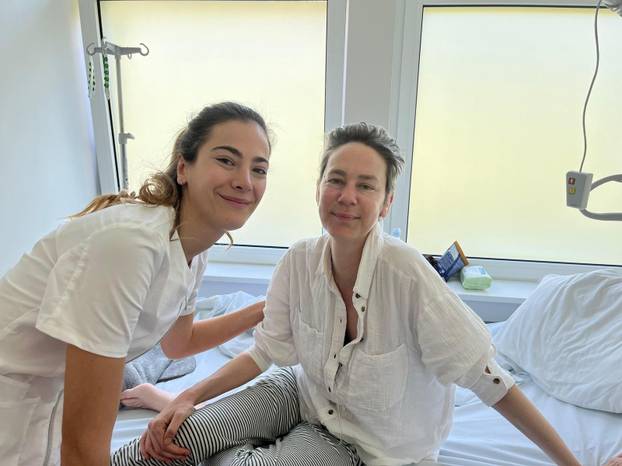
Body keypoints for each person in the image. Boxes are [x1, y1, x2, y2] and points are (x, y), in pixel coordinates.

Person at [111, 123, 583, 466]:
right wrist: (187, 397)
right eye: (336, 180)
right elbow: (265, 353)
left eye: (366, 186)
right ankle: (175, 409)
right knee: (164, 442)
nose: (347, 196)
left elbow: (491, 381)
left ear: (386, 202)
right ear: (319, 188)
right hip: (299, 393)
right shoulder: (298, 260)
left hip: (362, 445)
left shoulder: (407, 276)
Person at [0, 102, 272, 466]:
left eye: (259, 169)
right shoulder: (130, 245)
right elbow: (82, 449)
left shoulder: (193, 246)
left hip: (46, 401)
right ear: (183, 168)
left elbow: (179, 343)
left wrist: (265, 309)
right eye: (226, 160)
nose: (245, 181)